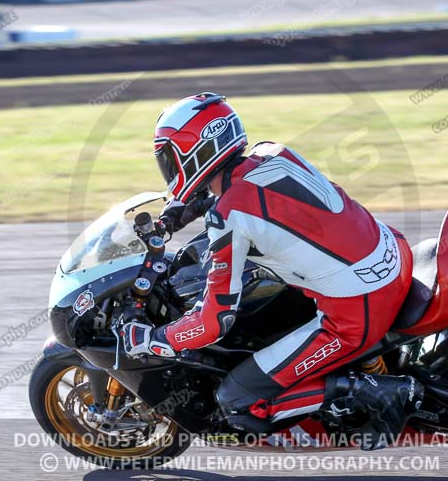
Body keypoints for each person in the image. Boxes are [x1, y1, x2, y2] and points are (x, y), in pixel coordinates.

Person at [121, 92, 422, 449]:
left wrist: (155, 341)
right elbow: (252, 195)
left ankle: (380, 391)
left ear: (195, 152)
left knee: (238, 399)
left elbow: (214, 322)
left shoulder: (228, 218)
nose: (167, 167)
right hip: (389, 252)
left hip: (358, 308)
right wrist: (183, 210)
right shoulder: (272, 152)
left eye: (170, 157)